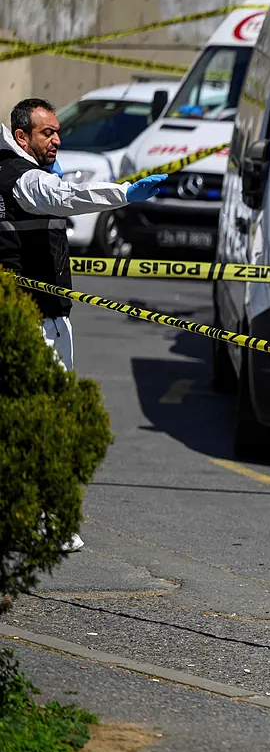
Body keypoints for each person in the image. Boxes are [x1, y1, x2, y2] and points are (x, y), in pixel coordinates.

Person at [0, 98, 166, 551]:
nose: (57, 139)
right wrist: (124, 193)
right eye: (46, 133)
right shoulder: (23, 178)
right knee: (43, 424)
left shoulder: (23, 176)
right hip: (32, 322)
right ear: (22, 138)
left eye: (58, 132)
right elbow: (66, 196)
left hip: (46, 320)